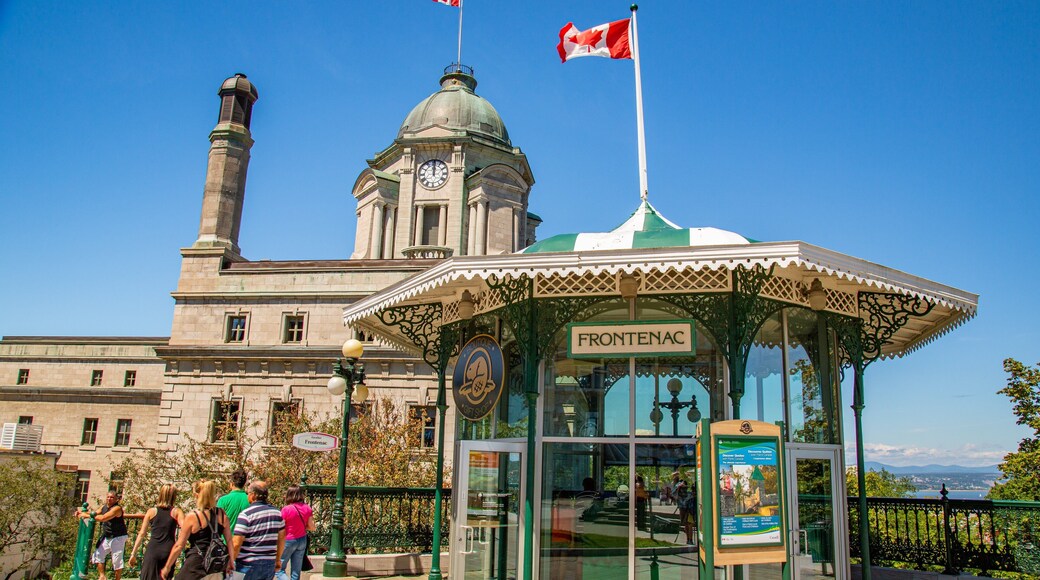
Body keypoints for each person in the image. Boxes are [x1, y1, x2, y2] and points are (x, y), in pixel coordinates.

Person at [161, 480, 232, 580]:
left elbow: (179, 545)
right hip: (216, 565)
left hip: (196, 564)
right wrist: (231, 561)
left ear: (196, 495)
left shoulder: (192, 517)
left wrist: (167, 567)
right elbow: (229, 540)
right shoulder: (221, 513)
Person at [231, 480, 286, 580]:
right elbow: (282, 538)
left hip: (248, 564)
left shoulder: (246, 514)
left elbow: (236, 542)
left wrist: (231, 561)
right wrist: (278, 559)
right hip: (269, 563)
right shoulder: (277, 514)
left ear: (253, 495)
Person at [128, 484, 184, 580]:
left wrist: (133, 553)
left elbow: (142, 533)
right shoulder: (177, 512)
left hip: (153, 549)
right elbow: (185, 528)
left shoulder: (151, 511)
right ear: (174, 496)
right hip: (169, 549)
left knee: (148, 576)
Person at [79, 491, 129, 580]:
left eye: (112, 497)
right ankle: (102, 576)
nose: (109, 499)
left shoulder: (117, 508)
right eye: (108, 497)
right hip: (107, 536)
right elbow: (94, 514)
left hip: (118, 536)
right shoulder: (104, 507)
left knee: (117, 560)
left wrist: (86, 516)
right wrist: (81, 514)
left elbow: (103, 518)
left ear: (116, 499)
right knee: (98, 555)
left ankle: (117, 579)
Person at [276, 485, 315, 580]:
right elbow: (312, 527)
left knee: (279, 570)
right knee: (296, 572)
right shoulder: (307, 508)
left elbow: (280, 527)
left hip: (288, 540)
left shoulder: (286, 509)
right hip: (302, 540)